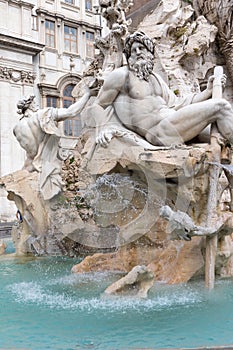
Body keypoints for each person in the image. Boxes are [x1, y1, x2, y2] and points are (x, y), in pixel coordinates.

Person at [91, 31, 233, 148]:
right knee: (222, 107)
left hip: (176, 124)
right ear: (129, 58)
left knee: (225, 138)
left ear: (150, 53)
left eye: (141, 48)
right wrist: (103, 127)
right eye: (133, 51)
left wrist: (208, 91)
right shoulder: (122, 75)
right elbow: (99, 104)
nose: (138, 52)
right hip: (160, 132)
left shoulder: (156, 79)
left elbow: (179, 104)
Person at [13, 80, 97, 200]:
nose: (36, 105)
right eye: (34, 103)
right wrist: (87, 94)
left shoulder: (17, 128)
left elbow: (30, 150)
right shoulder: (43, 115)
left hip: (30, 168)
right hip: (48, 167)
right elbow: (71, 111)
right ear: (30, 105)